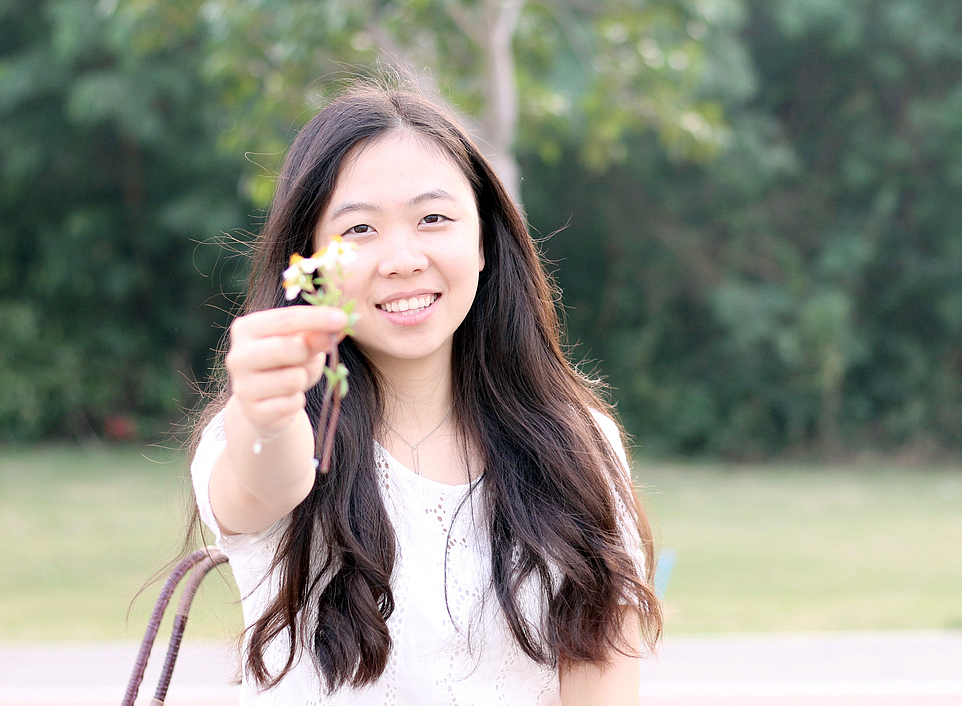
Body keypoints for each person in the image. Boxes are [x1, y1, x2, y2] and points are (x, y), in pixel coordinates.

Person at [185, 77, 662, 705]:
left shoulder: (579, 447)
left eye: (433, 218)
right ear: (309, 263)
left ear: (486, 239)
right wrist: (266, 412)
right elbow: (271, 479)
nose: (403, 258)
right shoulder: (259, 433)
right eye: (359, 230)